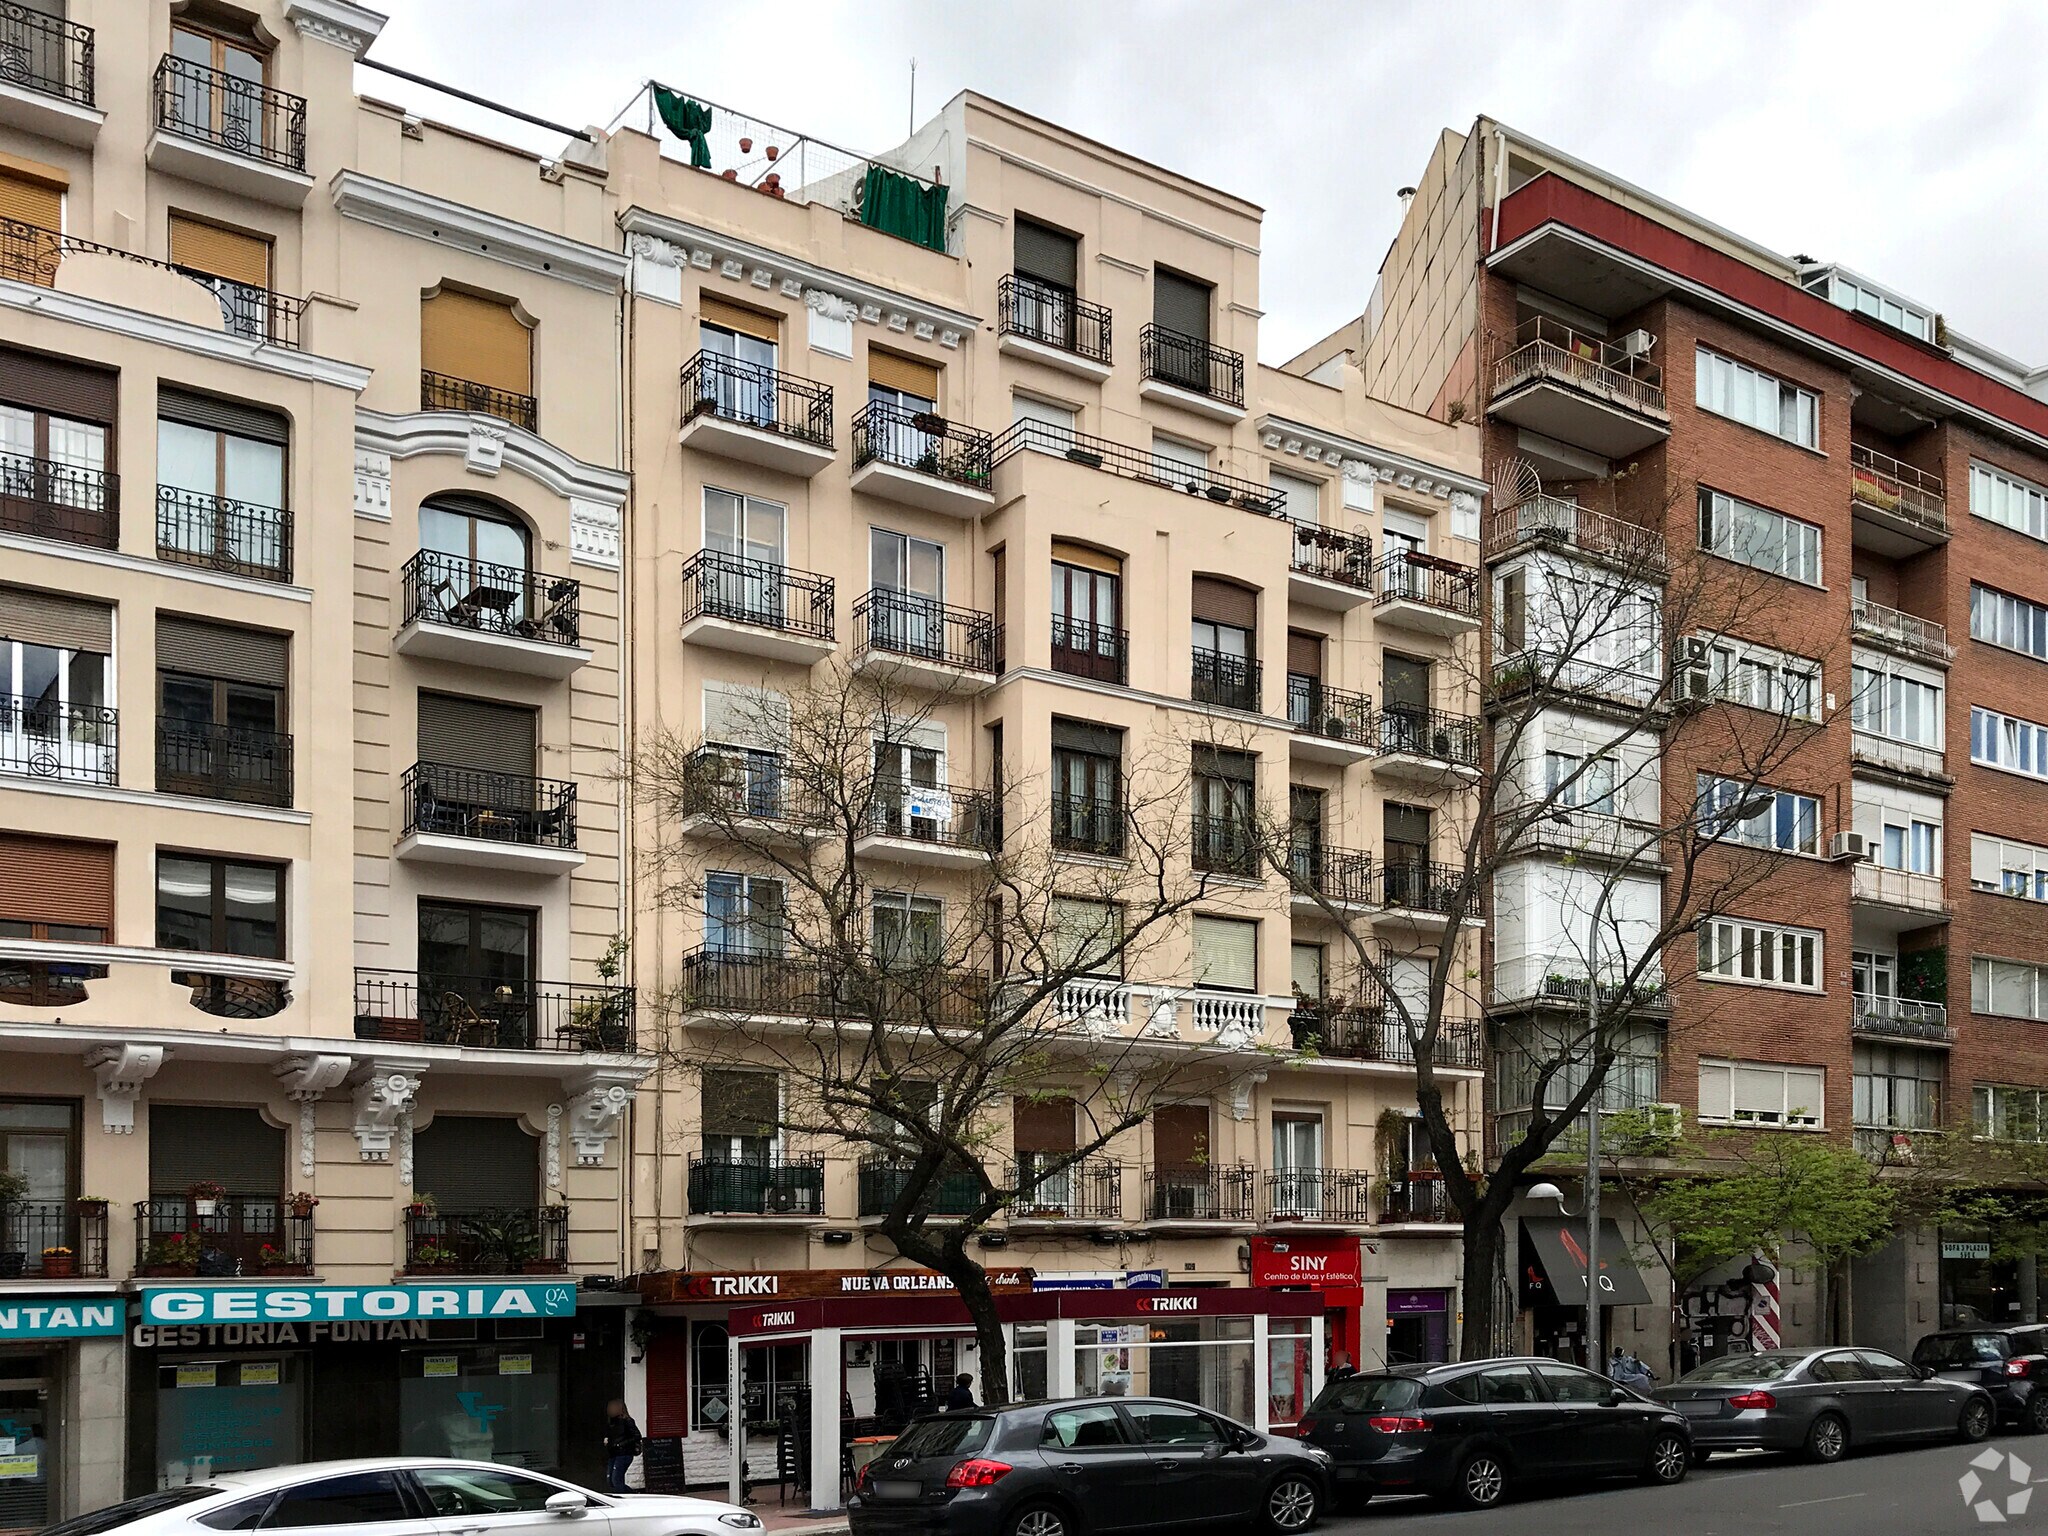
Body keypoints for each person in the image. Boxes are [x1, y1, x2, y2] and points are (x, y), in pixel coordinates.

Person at [603, 1399, 642, 1493]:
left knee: (616, 1480)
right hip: (613, 1453)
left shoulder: (627, 1421)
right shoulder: (611, 1422)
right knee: (611, 1481)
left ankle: (629, 1496)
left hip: (624, 1453)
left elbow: (637, 1436)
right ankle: (633, 1494)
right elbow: (611, 1434)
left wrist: (620, 1444)